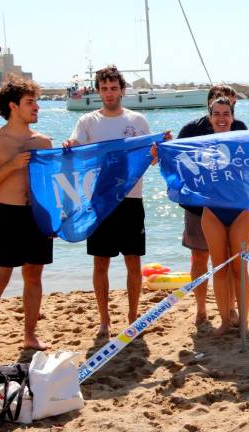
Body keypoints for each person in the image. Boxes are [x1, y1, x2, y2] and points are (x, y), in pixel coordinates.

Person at [64, 66, 154, 338]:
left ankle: (132, 315)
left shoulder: (137, 120)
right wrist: (69, 145)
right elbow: (75, 149)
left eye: (114, 88)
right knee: (100, 263)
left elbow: (151, 156)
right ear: (98, 91)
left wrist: (157, 150)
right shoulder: (88, 122)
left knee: (133, 262)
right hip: (99, 201)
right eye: (104, 88)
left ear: (122, 90)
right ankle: (104, 320)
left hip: (130, 200)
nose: (109, 93)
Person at [0, 75, 53, 356]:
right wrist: (12, 165)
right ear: (13, 106)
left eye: (36, 102)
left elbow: (53, 183)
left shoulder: (43, 141)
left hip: (37, 216)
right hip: (7, 216)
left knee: (33, 276)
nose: (37, 108)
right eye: (30, 103)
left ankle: (29, 336)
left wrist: (54, 217)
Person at [178, 84, 247, 325]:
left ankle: (229, 311)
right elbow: (177, 160)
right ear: (209, 108)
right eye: (217, 109)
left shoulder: (239, 128)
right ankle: (200, 308)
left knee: (229, 260)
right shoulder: (191, 129)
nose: (223, 114)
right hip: (199, 208)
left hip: (230, 207)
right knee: (199, 258)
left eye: (229, 105)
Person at [199, 97, 249, 336]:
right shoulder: (199, 145)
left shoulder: (244, 143)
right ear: (210, 118)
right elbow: (179, 164)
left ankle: (243, 322)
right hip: (212, 211)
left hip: (240, 211)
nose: (221, 118)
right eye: (217, 114)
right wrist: (161, 153)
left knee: (240, 270)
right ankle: (224, 320)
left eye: (226, 113)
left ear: (233, 117)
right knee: (219, 269)